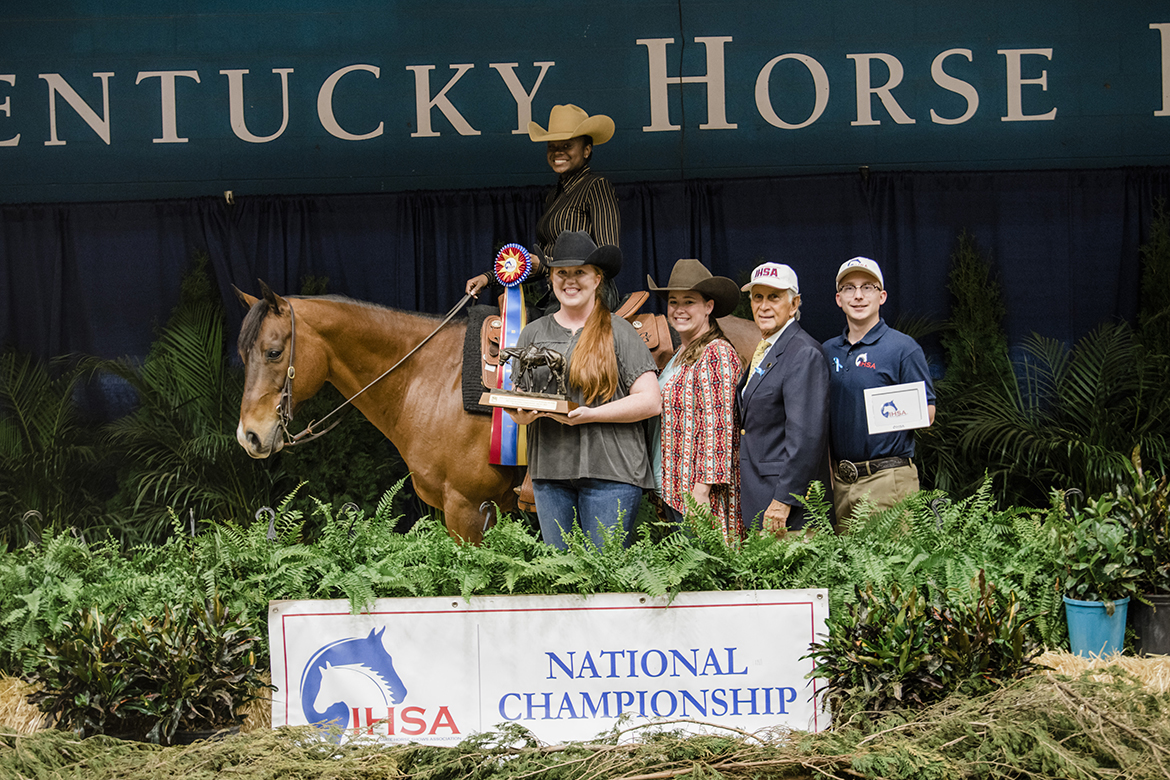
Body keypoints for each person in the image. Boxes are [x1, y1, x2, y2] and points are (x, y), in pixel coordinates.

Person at [507, 230, 660, 549]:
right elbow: (519, 401)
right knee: (562, 577)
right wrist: (520, 415)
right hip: (550, 473)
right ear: (550, 278)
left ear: (597, 278)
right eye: (562, 272)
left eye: (580, 272)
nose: (570, 280)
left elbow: (650, 401)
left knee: (607, 578)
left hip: (613, 473)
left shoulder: (620, 331)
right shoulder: (532, 334)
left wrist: (590, 414)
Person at [465, 104, 621, 310]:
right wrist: (489, 278)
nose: (558, 151)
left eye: (567, 145)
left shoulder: (596, 186)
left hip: (590, 297)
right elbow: (541, 263)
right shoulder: (553, 197)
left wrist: (548, 267)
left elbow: (609, 258)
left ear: (586, 150)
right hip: (560, 295)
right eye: (552, 146)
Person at [822, 257, 936, 522]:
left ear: (882, 296)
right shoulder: (826, 351)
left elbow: (928, 413)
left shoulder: (903, 348)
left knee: (891, 563)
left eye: (868, 287)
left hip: (888, 479)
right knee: (845, 563)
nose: (858, 296)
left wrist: (887, 413)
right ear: (839, 299)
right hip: (841, 482)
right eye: (849, 288)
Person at [646, 259, 743, 540]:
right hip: (674, 488)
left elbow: (720, 427)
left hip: (697, 496)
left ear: (708, 307)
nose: (679, 309)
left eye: (689, 301)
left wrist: (702, 491)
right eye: (673, 301)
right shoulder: (679, 354)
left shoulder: (716, 353)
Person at [736, 263, 831, 534]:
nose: (764, 306)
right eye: (758, 297)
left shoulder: (803, 353)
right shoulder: (767, 348)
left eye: (774, 297)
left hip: (787, 509)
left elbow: (807, 437)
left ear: (794, 304)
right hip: (760, 498)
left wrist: (784, 500)